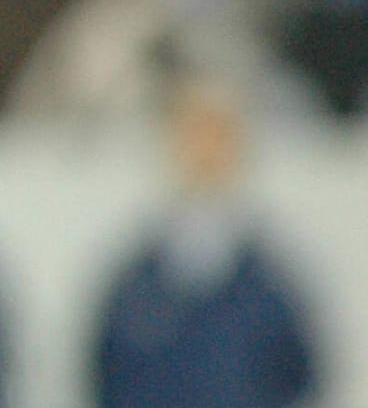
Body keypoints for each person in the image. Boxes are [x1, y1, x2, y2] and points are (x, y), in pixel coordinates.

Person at [91, 75, 321, 408]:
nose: (205, 151)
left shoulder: (270, 286)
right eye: (193, 134)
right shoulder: (133, 289)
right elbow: (107, 375)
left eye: (219, 135)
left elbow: (297, 375)